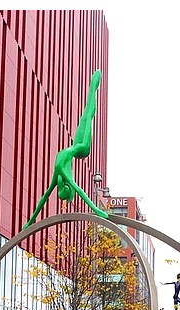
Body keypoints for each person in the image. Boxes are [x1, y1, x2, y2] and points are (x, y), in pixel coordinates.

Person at [23, 69, 109, 229]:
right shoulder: (61, 176)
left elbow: (44, 199)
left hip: (78, 147)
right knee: (88, 115)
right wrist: (97, 211)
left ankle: (94, 84)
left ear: (67, 189)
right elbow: (47, 198)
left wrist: (30, 222)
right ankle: (94, 86)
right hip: (81, 149)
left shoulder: (60, 175)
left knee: (87, 115)